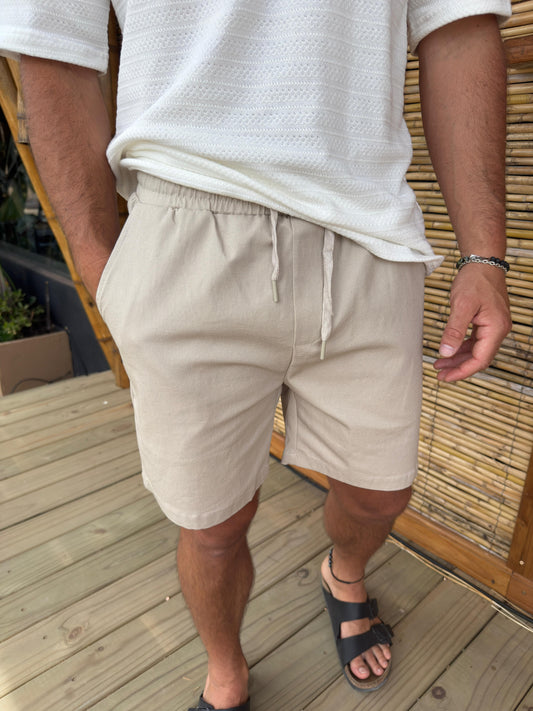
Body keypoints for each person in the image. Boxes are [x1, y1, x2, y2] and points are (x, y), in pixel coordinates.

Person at [0, 2, 512, 709]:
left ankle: (344, 572)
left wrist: (484, 254)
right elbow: (52, 43)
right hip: (185, 222)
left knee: (381, 491)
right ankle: (225, 668)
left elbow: (458, 26)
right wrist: (102, 268)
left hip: (367, 230)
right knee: (211, 523)